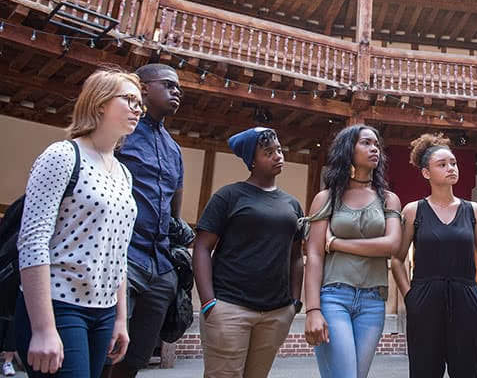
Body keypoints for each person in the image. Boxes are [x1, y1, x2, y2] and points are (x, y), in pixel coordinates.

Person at [15, 68, 143, 377]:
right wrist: (44, 328)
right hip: (59, 303)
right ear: (100, 103)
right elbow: (33, 240)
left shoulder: (123, 173)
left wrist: (119, 319)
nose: (138, 109)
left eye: (141, 103)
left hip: (103, 310)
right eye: (129, 99)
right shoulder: (63, 155)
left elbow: (119, 252)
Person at [193, 127, 304, 378]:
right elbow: (201, 247)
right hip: (229, 307)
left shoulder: (292, 205)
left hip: (276, 312)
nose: (278, 156)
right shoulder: (229, 196)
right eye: (268, 152)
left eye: (279, 150)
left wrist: (294, 304)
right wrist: (209, 302)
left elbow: (296, 256)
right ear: (251, 161)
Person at [303, 125, 402, 378]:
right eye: (366, 143)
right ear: (349, 149)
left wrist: (336, 243)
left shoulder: (388, 199)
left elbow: (391, 245)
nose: (374, 149)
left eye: (377, 145)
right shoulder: (326, 198)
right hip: (333, 297)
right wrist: (313, 310)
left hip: (373, 301)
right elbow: (314, 255)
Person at [391, 133, 477, 378]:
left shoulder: (474, 211)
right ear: (426, 173)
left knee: (467, 372)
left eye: (454, 163)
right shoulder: (413, 211)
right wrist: (410, 296)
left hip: (466, 299)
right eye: (442, 164)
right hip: (424, 300)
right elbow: (397, 258)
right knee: (424, 372)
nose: (451, 168)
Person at [107, 63, 184, 378]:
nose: (176, 91)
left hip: (160, 266)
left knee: (134, 360)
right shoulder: (121, 132)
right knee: (107, 351)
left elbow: (174, 213)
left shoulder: (174, 149)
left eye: (178, 87)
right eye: (168, 84)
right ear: (143, 87)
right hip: (122, 256)